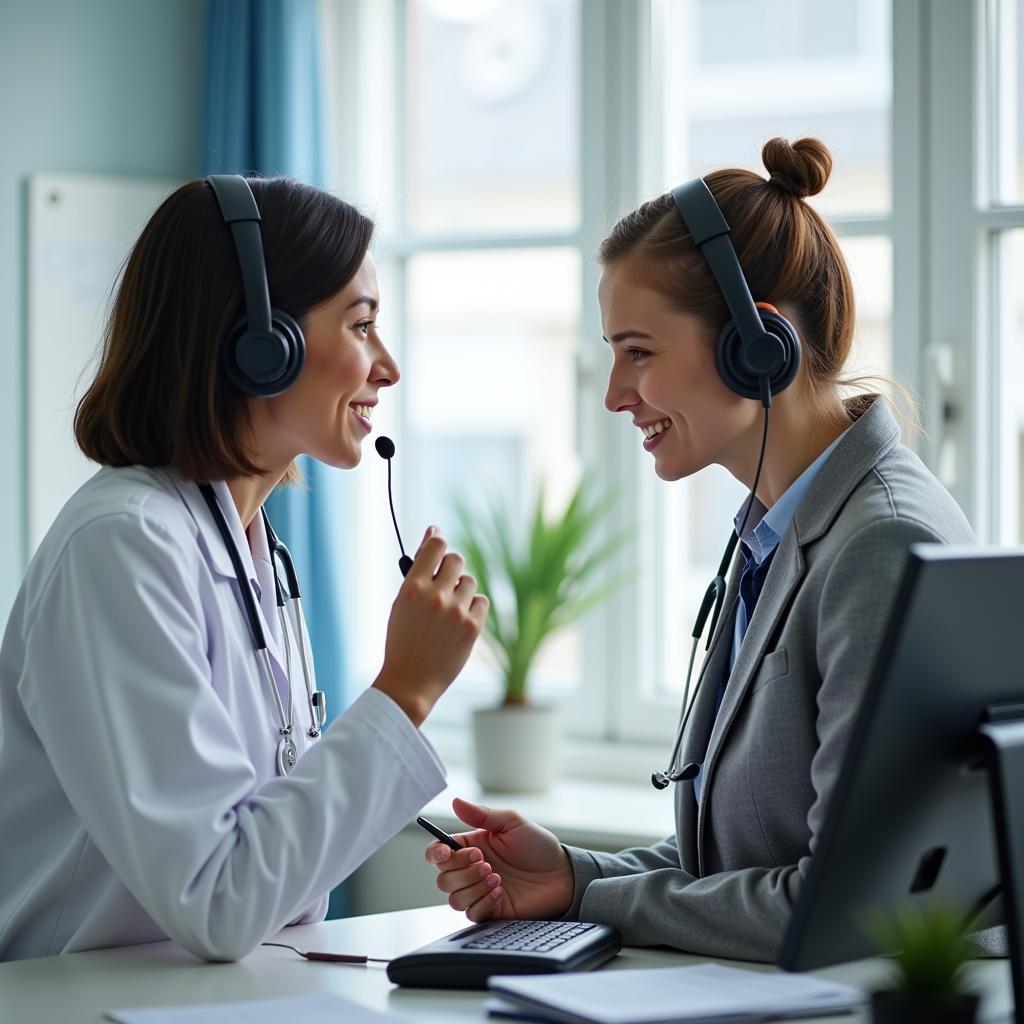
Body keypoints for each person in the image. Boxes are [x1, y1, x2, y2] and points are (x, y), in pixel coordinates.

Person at [425, 137, 976, 962]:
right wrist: (572, 876)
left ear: (760, 345)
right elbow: (744, 867)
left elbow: (839, 902)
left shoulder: (882, 543)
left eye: (638, 353)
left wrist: (592, 894)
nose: (615, 395)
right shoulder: (777, 530)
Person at [0, 175, 488, 962]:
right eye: (362, 326)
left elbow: (274, 882)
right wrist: (406, 693)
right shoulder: (121, 546)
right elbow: (219, 901)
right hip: (79, 1001)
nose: (387, 366)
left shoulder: (259, 555)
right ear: (261, 344)